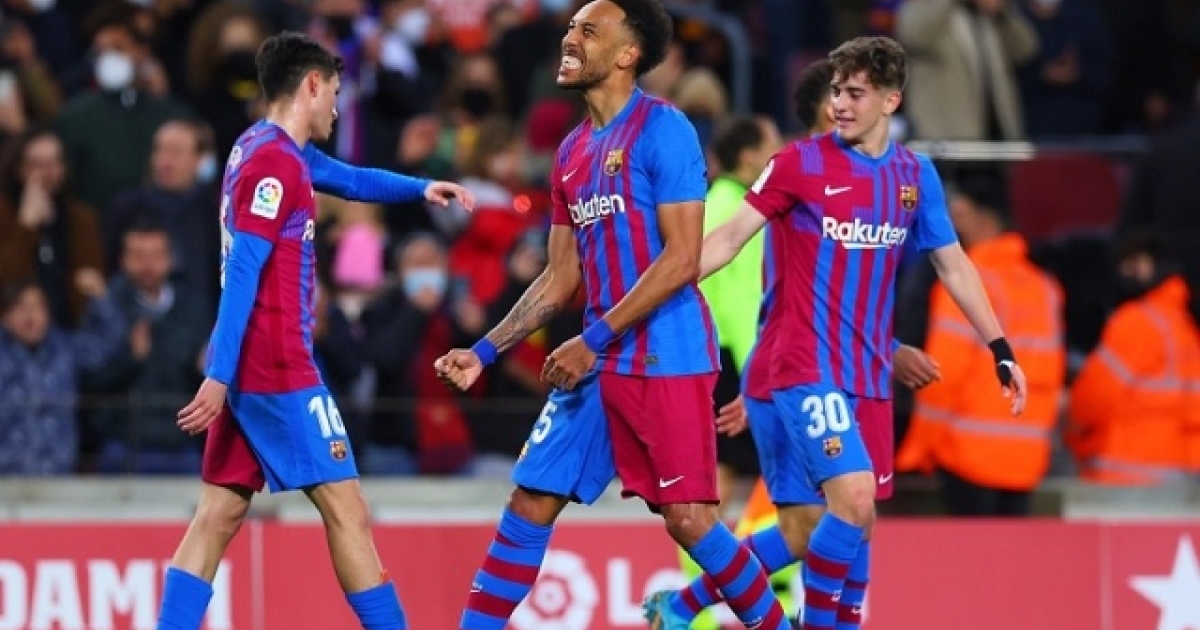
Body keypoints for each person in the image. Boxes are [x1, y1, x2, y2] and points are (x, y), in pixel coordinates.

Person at [435, 2, 791, 630]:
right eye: (572, 27)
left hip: (665, 352)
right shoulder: (571, 153)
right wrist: (484, 350)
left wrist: (590, 339)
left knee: (689, 519)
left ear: (628, 54)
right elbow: (559, 277)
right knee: (531, 499)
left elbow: (682, 260)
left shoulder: (665, 130)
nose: (570, 38)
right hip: (599, 358)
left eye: (589, 30)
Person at [668, 37, 1029, 630]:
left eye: (855, 93)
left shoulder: (915, 176)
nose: (840, 103)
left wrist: (1000, 346)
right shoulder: (799, 164)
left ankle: (684, 604)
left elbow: (954, 265)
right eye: (836, 91)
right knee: (853, 500)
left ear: (891, 100)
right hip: (802, 366)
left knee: (843, 525)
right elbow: (729, 239)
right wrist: (653, 291)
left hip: (868, 377)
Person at [157, 32, 475, 630]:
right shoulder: (275, 164)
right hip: (278, 366)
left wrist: (419, 188)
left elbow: (350, 180)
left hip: (251, 365)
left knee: (218, 514)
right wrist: (218, 375)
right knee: (347, 509)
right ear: (310, 85)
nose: (336, 106)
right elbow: (245, 270)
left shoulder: (260, 146)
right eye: (333, 91)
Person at [645, 57, 942, 630]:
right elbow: (768, 301)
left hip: (794, 368)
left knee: (808, 528)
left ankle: (683, 605)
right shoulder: (793, 182)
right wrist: (752, 377)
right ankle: (708, 610)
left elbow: (822, 301)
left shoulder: (833, 180)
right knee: (840, 511)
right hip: (788, 370)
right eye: (847, 93)